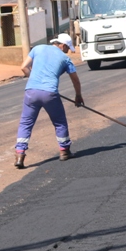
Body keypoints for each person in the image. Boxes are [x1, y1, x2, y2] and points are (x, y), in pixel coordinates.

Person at [13, 33, 84, 168]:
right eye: (67, 48)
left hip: (31, 92)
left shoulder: (37, 48)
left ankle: (20, 154)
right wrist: (78, 95)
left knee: (26, 123)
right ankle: (64, 151)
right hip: (50, 93)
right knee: (59, 122)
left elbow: (24, 67)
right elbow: (75, 79)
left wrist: (35, 81)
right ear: (62, 46)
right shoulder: (65, 58)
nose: (68, 51)